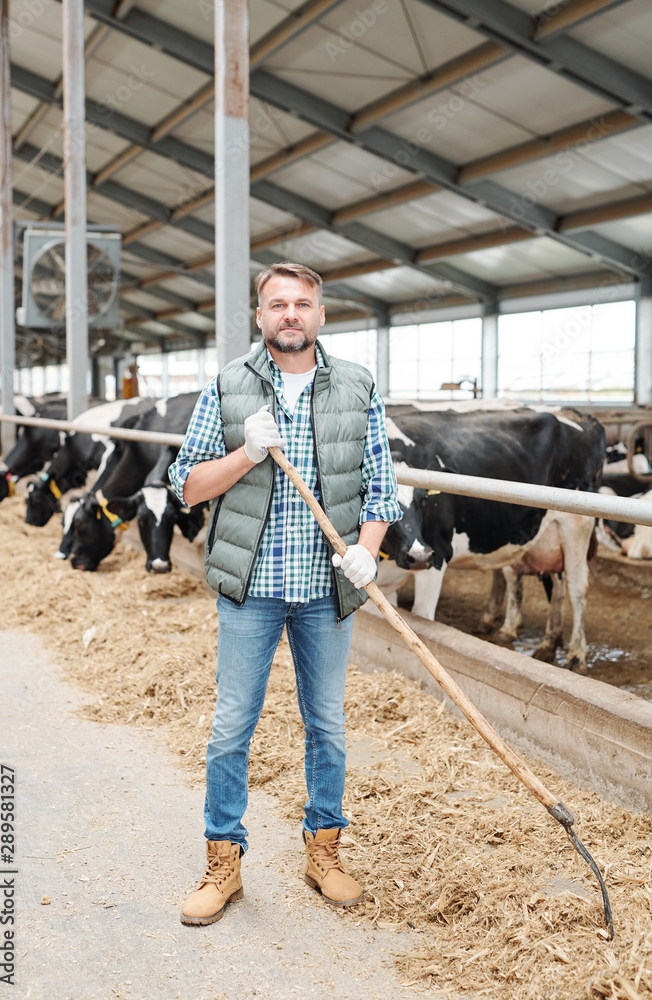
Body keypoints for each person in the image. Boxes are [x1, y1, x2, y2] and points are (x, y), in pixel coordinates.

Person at [169, 261, 402, 927]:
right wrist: (245, 453)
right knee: (231, 727)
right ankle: (223, 862)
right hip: (252, 589)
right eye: (278, 304)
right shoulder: (227, 385)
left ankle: (324, 851)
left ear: (320, 315)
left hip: (327, 589)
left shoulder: (356, 385)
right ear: (261, 316)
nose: (291, 314)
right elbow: (186, 486)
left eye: (302, 303)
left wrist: (367, 549)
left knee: (326, 723)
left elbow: (381, 487)